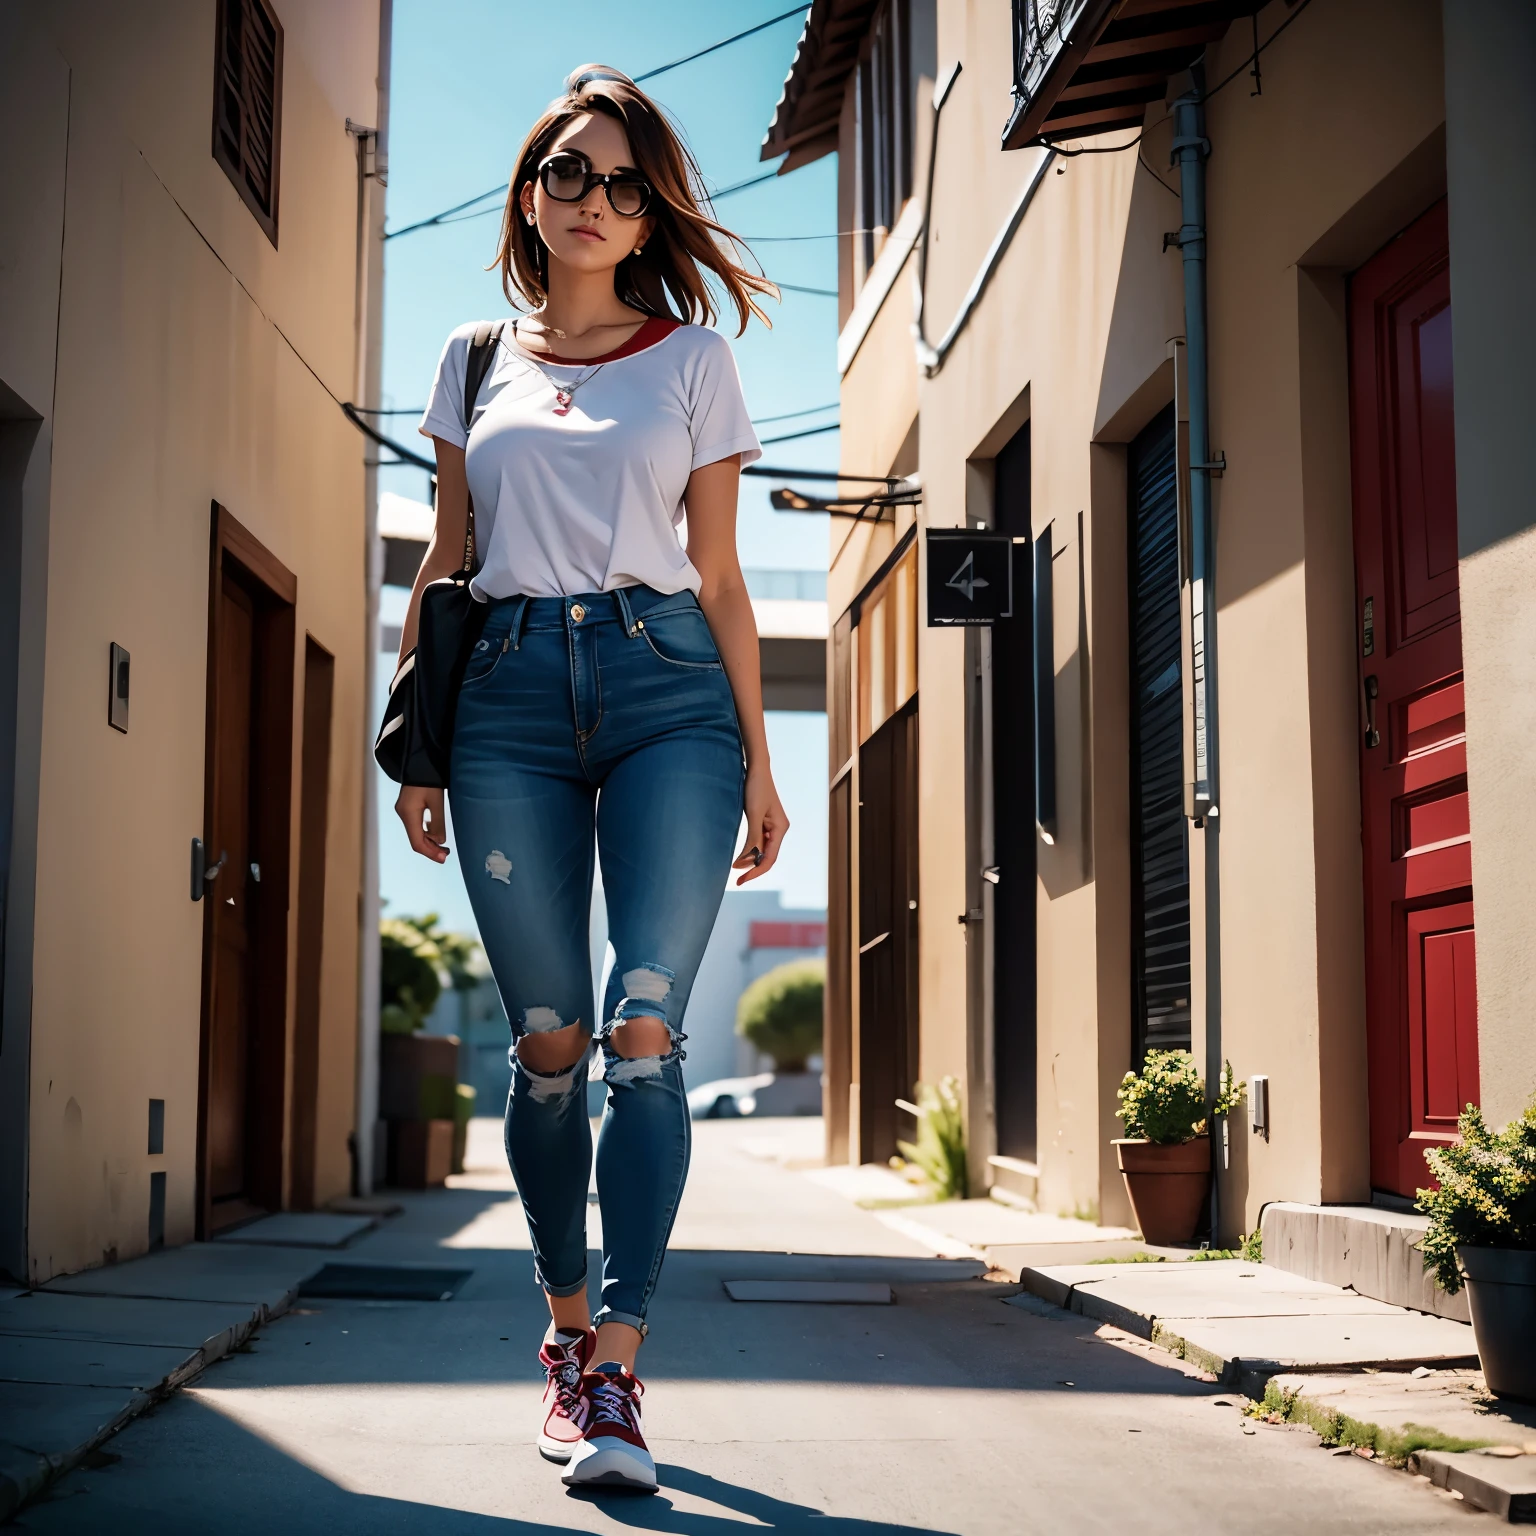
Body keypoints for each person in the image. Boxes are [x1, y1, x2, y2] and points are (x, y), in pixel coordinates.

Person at [393, 65, 788, 1493]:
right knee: (549, 1041)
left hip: (666, 687)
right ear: (530, 187)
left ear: (648, 214)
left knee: (641, 1030)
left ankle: (618, 1371)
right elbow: (446, 556)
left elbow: (728, 576)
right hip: (498, 699)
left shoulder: (694, 360)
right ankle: (562, 1326)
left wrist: (756, 757)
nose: (593, 200)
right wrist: (420, 744)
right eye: (570, 171)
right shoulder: (471, 357)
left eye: (624, 184)